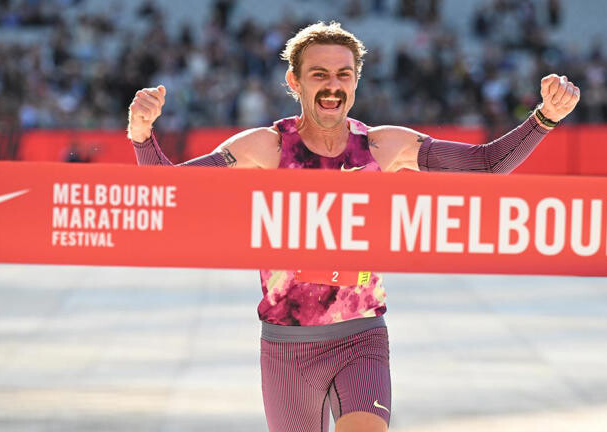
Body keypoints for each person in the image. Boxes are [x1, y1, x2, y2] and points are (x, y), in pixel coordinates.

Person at [127, 21, 579, 432]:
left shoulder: (384, 147)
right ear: (295, 81)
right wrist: (142, 135)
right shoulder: (264, 148)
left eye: (343, 74)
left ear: (356, 81)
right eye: (319, 74)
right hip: (287, 345)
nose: (332, 85)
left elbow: (485, 166)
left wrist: (545, 119)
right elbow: (174, 196)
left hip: (361, 336)